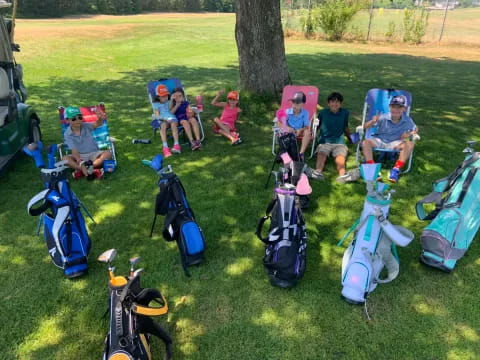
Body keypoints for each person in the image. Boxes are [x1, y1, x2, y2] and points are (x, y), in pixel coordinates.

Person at [361, 95, 418, 183]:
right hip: (379, 140)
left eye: (399, 107)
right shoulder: (383, 117)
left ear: (404, 109)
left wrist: (409, 134)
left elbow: (415, 128)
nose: (396, 109)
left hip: (395, 142)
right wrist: (372, 122)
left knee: (410, 144)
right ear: (389, 107)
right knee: (365, 143)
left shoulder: (407, 120)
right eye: (393, 106)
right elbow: (364, 127)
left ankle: (396, 169)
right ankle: (372, 168)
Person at [313, 92, 358, 183]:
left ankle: (342, 175)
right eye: (332, 102)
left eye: (337, 102)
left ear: (340, 104)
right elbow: (317, 126)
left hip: (339, 141)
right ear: (328, 103)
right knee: (321, 154)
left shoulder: (344, 113)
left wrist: (351, 139)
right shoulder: (323, 113)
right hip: (325, 140)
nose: (334, 104)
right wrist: (312, 134)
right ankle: (318, 172)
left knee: (340, 157)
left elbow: (345, 127)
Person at [62, 106, 112, 180]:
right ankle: (89, 170)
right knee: (64, 159)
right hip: (79, 155)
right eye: (74, 119)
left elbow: (98, 124)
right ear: (67, 120)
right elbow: (74, 151)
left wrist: (100, 118)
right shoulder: (67, 134)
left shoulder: (86, 126)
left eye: (80, 117)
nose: (78, 120)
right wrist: (80, 162)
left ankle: (86, 169)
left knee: (108, 153)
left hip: (94, 153)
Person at [278, 91, 311, 161]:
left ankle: (301, 153)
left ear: (302, 104)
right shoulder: (287, 112)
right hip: (289, 131)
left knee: (307, 132)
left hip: (300, 130)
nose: (294, 105)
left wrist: (300, 130)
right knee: (282, 131)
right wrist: (286, 127)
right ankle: (285, 154)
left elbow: (307, 126)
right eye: (293, 102)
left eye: (297, 103)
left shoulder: (305, 113)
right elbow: (279, 122)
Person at [152, 85, 181, 157]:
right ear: (158, 96)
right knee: (163, 126)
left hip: (172, 118)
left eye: (166, 96)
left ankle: (176, 145)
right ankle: (165, 147)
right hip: (163, 119)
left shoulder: (169, 101)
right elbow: (157, 116)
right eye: (163, 96)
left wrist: (171, 100)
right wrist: (165, 119)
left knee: (173, 123)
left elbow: (171, 110)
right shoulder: (156, 104)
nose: (165, 98)